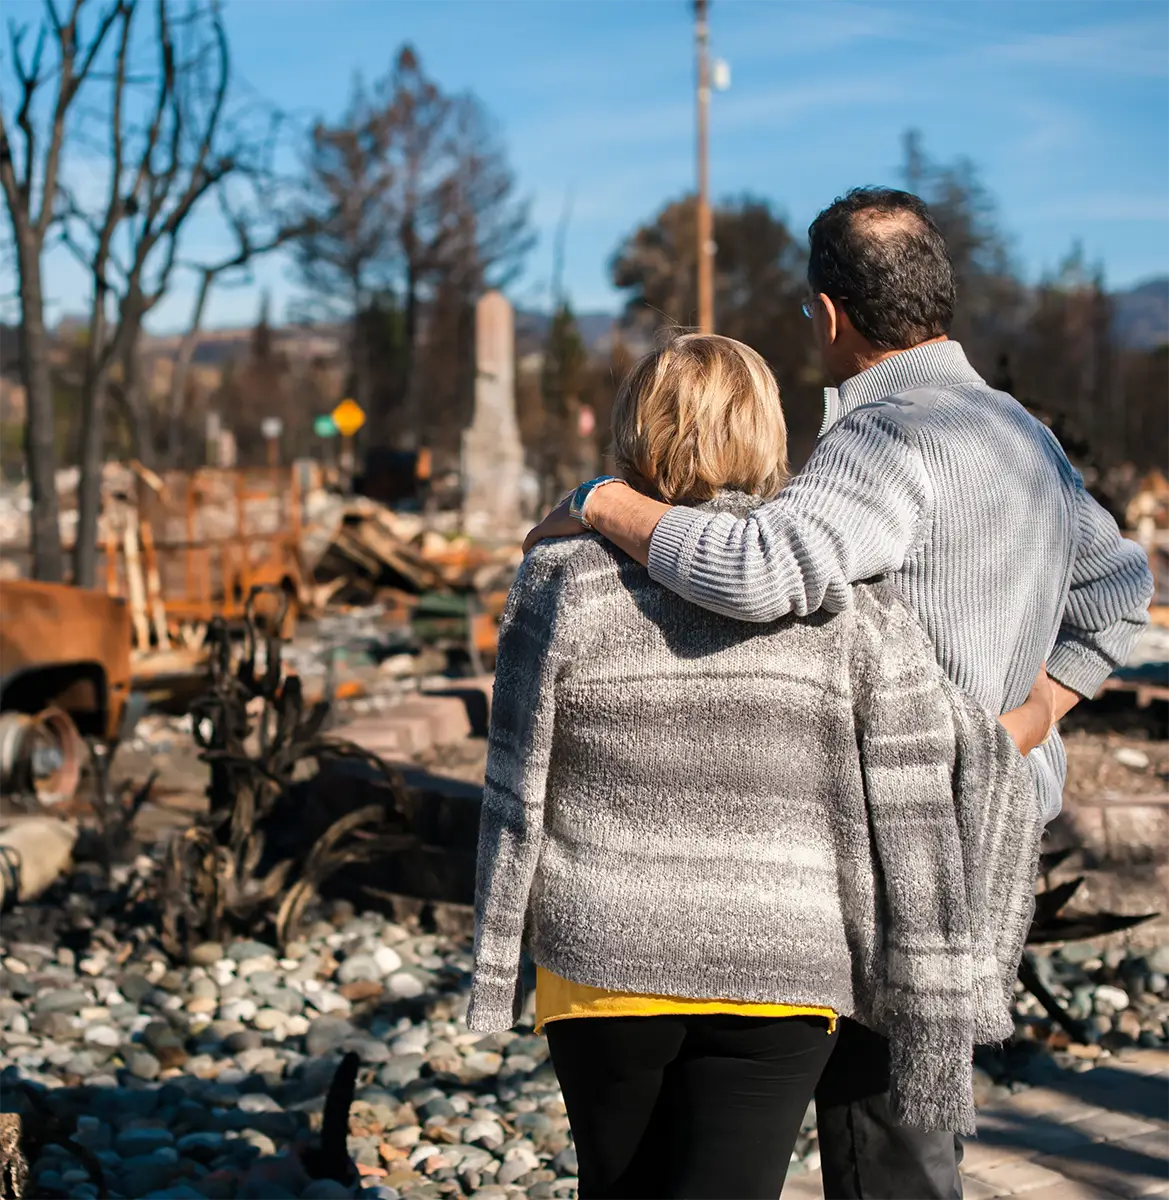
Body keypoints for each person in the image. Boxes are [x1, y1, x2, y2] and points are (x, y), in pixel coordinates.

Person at [524, 189, 1155, 1200]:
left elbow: (757, 569)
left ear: (826, 314)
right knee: (914, 1128)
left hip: (898, 841)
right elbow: (1120, 591)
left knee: (880, 1147)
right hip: (994, 828)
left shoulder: (885, 439)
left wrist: (601, 502)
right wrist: (1029, 720)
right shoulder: (1017, 435)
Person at [469, 333, 1053, 1200]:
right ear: (768, 434)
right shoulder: (839, 603)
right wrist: (1038, 712)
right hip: (785, 967)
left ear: (636, 429)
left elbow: (516, 784)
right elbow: (929, 761)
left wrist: (494, 958)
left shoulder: (562, 576)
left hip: (605, 959)